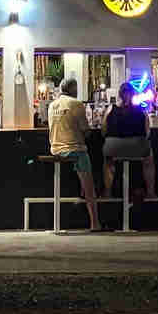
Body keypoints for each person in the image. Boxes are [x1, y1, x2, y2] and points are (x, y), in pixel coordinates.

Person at [47, 78, 101, 231]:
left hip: (55, 149)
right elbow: (86, 130)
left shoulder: (52, 105)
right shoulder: (77, 104)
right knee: (90, 185)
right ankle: (95, 223)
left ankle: (82, 194)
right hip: (74, 150)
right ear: (73, 89)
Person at [102, 81, 156, 200]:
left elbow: (104, 130)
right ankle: (151, 192)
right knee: (148, 159)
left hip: (114, 147)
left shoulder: (111, 108)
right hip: (137, 147)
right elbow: (147, 133)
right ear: (133, 95)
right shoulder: (142, 110)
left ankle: (107, 192)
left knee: (108, 162)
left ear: (119, 95)